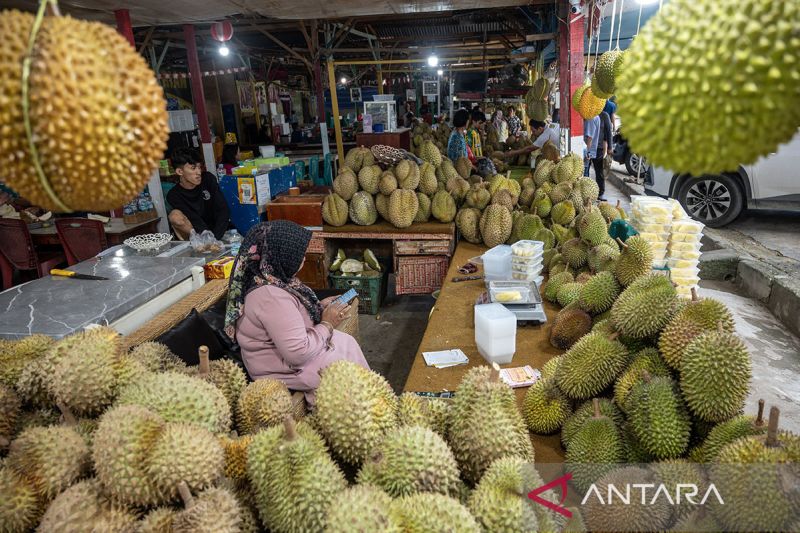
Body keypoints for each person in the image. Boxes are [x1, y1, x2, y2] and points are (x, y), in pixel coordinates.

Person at [224, 220, 369, 406]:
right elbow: (298, 352)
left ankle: (374, 400)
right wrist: (326, 324)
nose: (304, 258)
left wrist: (318, 307)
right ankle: (361, 409)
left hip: (287, 354)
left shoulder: (270, 278)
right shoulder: (270, 296)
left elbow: (289, 316)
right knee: (343, 372)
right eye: (299, 254)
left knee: (345, 342)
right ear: (280, 256)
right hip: (280, 368)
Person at [167, 148, 230, 240]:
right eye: (193, 168)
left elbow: (223, 209)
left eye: (199, 167)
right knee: (174, 215)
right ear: (180, 172)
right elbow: (193, 218)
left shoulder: (208, 179)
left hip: (218, 230)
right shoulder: (173, 195)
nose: (199, 172)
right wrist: (206, 238)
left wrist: (215, 238)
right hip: (196, 233)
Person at [592, 110, 613, 201]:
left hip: (599, 148)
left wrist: (610, 147)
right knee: (585, 171)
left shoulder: (605, 115)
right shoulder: (587, 114)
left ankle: (601, 193)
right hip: (586, 147)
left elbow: (609, 132)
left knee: (599, 172)